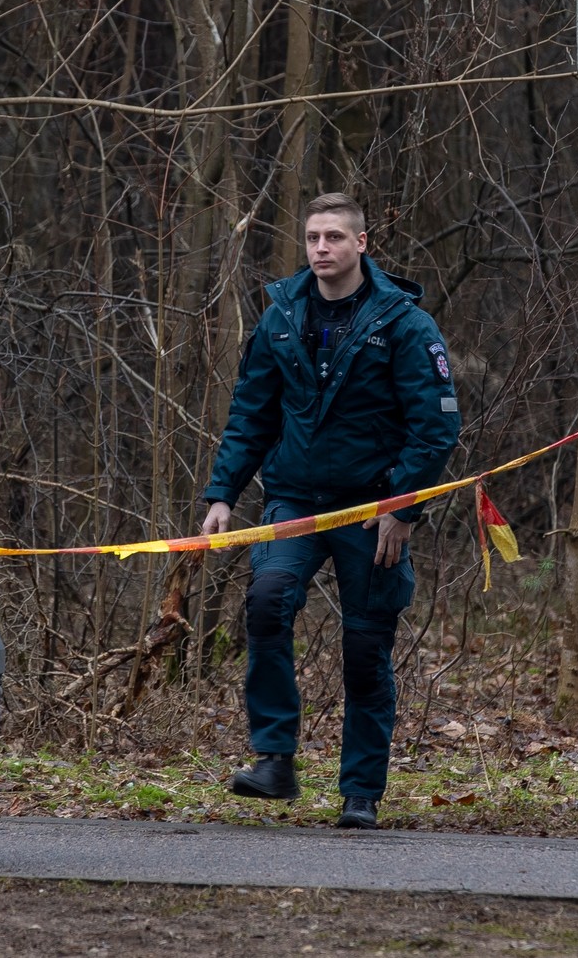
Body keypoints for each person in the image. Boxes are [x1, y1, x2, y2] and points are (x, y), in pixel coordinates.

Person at [201, 193, 461, 829]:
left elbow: (435, 428)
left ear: (362, 243)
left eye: (335, 238)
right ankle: (274, 760)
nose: (321, 248)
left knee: (365, 649)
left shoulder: (402, 323)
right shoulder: (282, 314)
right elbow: (252, 410)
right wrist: (222, 493)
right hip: (293, 498)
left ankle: (361, 793)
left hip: (374, 510)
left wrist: (403, 507)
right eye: (313, 236)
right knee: (265, 604)